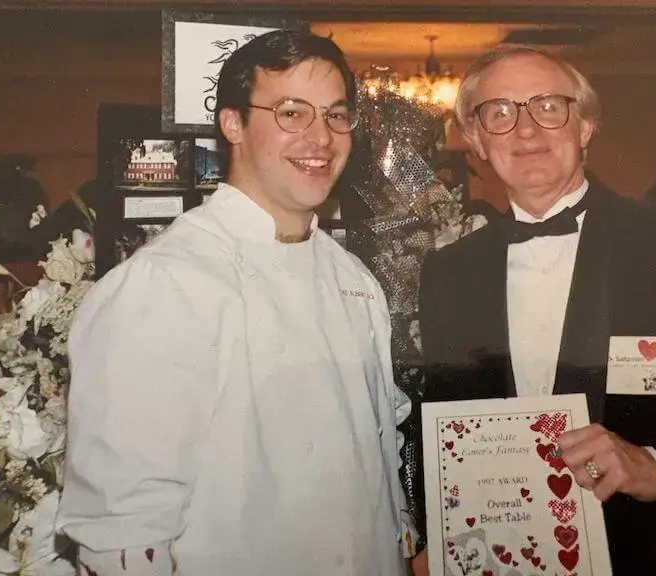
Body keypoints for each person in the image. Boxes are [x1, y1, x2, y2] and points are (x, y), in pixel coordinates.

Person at [57, 30, 417, 575]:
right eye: (293, 113)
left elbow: (376, 463)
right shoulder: (166, 284)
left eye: (336, 115)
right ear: (233, 124)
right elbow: (122, 533)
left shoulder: (353, 278)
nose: (321, 137)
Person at [413, 45, 656, 575]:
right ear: (478, 141)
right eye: (499, 112)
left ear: (586, 126)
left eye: (548, 106)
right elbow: (447, 425)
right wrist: (439, 531)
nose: (525, 130)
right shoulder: (448, 275)